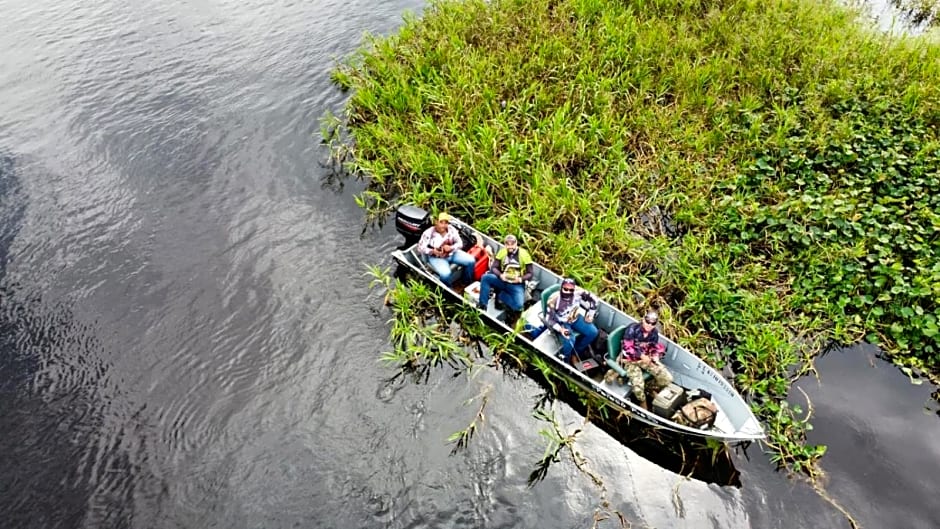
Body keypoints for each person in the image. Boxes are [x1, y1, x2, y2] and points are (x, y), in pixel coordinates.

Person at [618, 310, 673, 409]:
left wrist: (655, 356)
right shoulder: (632, 329)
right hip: (630, 360)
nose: (649, 325)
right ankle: (642, 401)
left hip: (646, 359)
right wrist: (641, 355)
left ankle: (649, 387)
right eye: (647, 321)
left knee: (667, 378)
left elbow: (653, 347)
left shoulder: (654, 333)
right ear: (643, 320)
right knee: (638, 388)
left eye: (653, 323)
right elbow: (627, 348)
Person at [545, 278, 599, 364]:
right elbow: (549, 319)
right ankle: (565, 360)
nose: (568, 292)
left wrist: (590, 314)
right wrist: (560, 329)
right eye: (565, 289)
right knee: (570, 340)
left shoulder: (579, 292)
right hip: (562, 322)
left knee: (593, 332)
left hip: (576, 318)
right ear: (561, 288)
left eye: (571, 290)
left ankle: (575, 354)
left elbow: (594, 299)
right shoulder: (553, 300)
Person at [417, 212, 476, 287]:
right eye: (441, 222)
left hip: (452, 253)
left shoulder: (452, 230)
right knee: (445, 274)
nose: (444, 225)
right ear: (436, 222)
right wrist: (432, 251)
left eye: (446, 223)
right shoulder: (428, 233)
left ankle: (466, 282)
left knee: (471, 261)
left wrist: (451, 248)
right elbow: (420, 247)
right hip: (437, 258)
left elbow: (460, 243)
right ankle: (448, 288)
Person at [476, 234, 533, 312]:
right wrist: (500, 275)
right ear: (505, 244)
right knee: (485, 278)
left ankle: (501, 295)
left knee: (518, 306)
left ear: (516, 243)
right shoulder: (502, 252)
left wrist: (520, 279)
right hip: (503, 280)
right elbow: (494, 267)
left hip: (516, 284)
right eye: (508, 244)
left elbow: (530, 274)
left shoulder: (524, 254)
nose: (510, 247)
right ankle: (482, 305)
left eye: (512, 244)